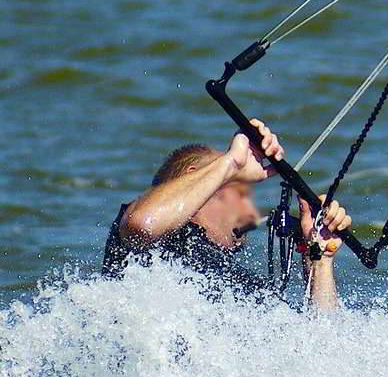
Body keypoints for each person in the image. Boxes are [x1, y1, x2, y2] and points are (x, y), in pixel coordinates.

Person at [102, 118, 352, 310]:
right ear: (192, 175)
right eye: (241, 192)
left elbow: (323, 346)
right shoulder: (149, 249)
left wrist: (319, 258)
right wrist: (232, 163)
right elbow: (144, 224)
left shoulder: (247, 286)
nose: (251, 211)